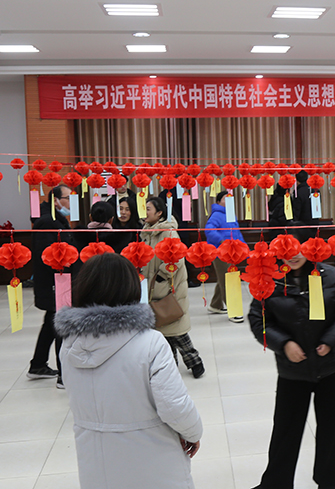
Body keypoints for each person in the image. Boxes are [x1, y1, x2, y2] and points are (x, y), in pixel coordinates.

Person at [54, 253, 202, 489]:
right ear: (131, 288)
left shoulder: (69, 344)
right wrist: (193, 433)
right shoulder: (150, 342)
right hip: (153, 461)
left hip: (95, 461)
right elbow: (174, 405)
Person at [248, 230, 335, 489]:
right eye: (285, 251)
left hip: (331, 367)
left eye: (298, 249)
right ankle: (275, 483)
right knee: (286, 428)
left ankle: (329, 482)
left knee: (331, 428)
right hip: (293, 369)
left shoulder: (333, 276)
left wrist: (332, 341)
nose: (293, 256)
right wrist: (283, 343)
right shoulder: (270, 281)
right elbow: (258, 319)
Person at [141, 197, 205, 379]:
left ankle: (195, 362)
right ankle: (171, 367)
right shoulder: (147, 232)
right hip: (153, 286)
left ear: (159, 213)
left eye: (148, 208)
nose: (145, 212)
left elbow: (176, 259)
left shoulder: (168, 233)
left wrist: (161, 278)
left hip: (169, 286)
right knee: (164, 328)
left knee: (175, 328)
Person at [29, 184, 78, 388]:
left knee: (51, 323)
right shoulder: (47, 222)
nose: (70, 203)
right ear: (56, 200)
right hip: (54, 283)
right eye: (67, 198)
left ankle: (38, 364)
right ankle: (63, 376)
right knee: (59, 325)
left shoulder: (56, 219)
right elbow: (47, 256)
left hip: (58, 282)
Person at [205, 190, 247, 323]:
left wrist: (244, 248)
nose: (229, 200)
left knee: (223, 279)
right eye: (225, 198)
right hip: (220, 253)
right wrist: (221, 240)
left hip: (231, 253)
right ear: (218, 202)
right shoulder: (217, 215)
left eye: (230, 198)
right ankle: (234, 311)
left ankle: (215, 305)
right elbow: (209, 229)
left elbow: (237, 233)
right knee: (228, 281)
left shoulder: (231, 214)